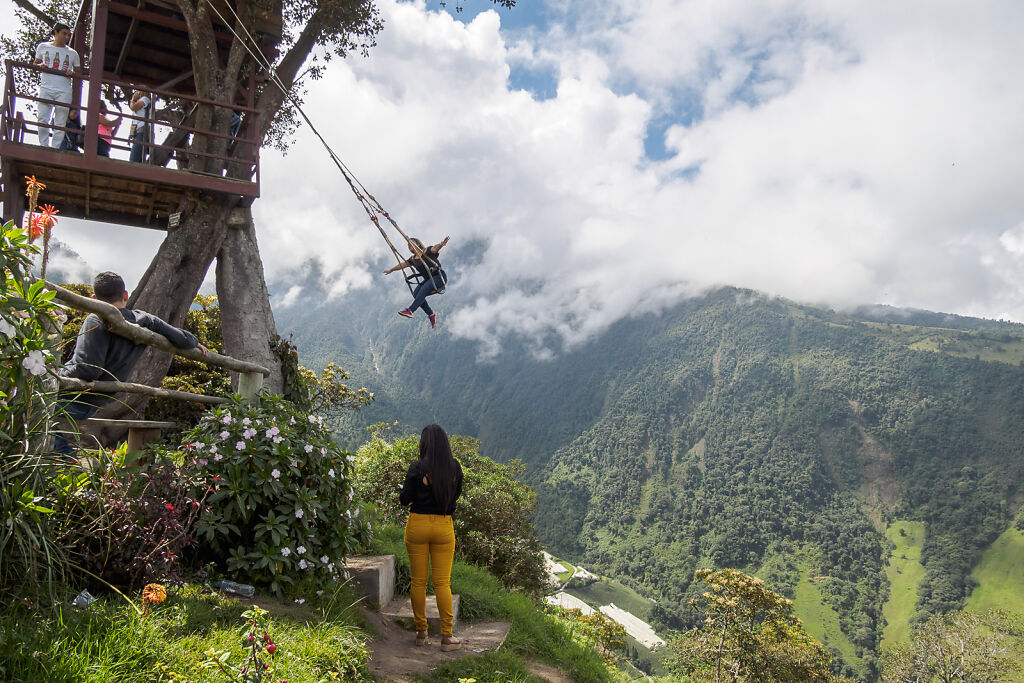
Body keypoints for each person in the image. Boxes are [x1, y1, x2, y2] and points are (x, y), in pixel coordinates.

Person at [54, 271, 208, 459]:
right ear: (125, 295)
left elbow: (89, 369)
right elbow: (182, 338)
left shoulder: (96, 318)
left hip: (74, 395)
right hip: (101, 397)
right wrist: (194, 342)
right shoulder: (145, 320)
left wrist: (55, 372)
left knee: (36, 415)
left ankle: (63, 465)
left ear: (94, 298)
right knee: (52, 430)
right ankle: (64, 463)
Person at [399, 424, 464, 651]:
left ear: (424, 444)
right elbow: (454, 499)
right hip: (443, 527)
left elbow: (404, 499)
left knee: (418, 581)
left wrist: (419, 486)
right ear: (445, 444)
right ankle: (447, 637)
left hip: (417, 524)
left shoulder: (416, 468)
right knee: (442, 582)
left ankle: (421, 632)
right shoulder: (454, 468)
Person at [383, 236, 449, 328]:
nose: (409, 245)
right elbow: (403, 264)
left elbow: (435, 249)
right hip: (429, 279)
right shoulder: (413, 259)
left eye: (411, 243)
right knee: (416, 293)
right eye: (408, 245)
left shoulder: (427, 251)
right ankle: (431, 314)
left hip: (439, 277)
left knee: (423, 290)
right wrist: (392, 270)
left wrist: (441, 244)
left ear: (417, 243)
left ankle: (410, 310)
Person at [33, 23, 81, 149]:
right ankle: (43, 145)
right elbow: (35, 64)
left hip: (64, 90)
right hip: (46, 87)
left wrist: (73, 73)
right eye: (64, 33)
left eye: (68, 34)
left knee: (60, 121)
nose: (66, 37)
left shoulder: (73, 53)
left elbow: (78, 71)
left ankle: (55, 148)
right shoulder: (42, 46)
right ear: (56, 32)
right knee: (42, 118)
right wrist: (40, 66)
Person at [128, 89, 153, 163]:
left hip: (142, 131)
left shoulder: (145, 99)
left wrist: (132, 100)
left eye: (137, 91)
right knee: (138, 158)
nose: (135, 93)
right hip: (138, 131)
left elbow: (133, 107)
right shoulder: (142, 100)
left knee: (133, 159)